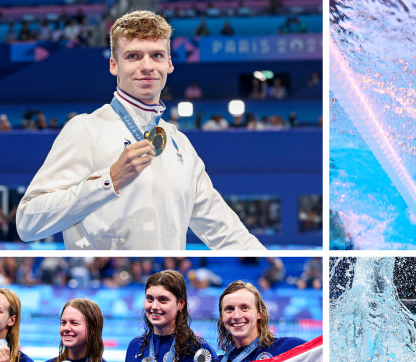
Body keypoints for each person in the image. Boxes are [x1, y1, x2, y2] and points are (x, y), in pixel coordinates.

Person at [15, 10, 265, 250]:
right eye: (133, 56)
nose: (147, 66)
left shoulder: (180, 144)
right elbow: (27, 223)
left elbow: (224, 231)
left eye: (156, 55)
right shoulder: (86, 129)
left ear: (169, 63)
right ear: (114, 65)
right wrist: (109, 180)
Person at [188, 281, 305, 362]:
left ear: (259, 313)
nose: (236, 316)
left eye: (244, 308)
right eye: (229, 309)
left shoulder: (288, 348)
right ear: (222, 317)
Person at [119, 270, 216, 362]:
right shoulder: (135, 346)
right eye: (150, 298)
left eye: (163, 300)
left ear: (180, 304)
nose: (154, 306)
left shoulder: (199, 352)